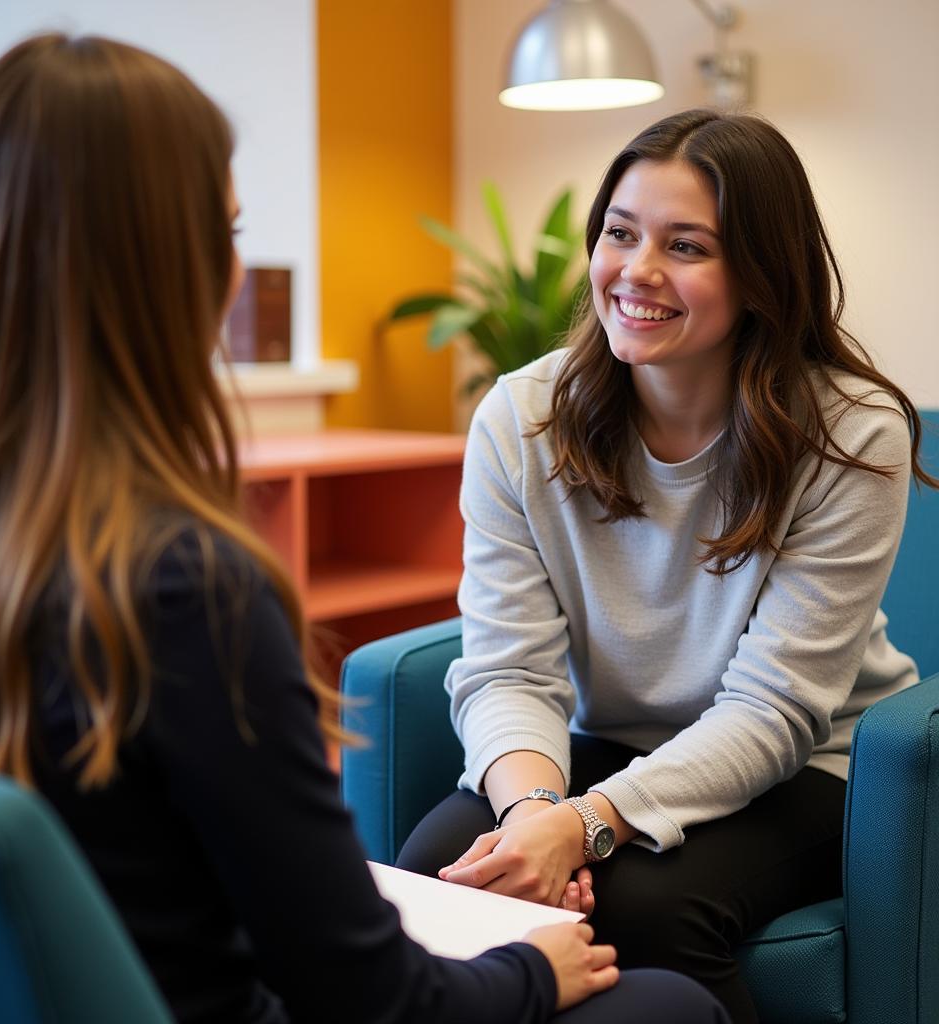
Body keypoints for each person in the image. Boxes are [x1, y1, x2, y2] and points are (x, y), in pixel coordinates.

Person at [0, 35, 730, 1024]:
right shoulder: (185, 587)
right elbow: (367, 995)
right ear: (164, 268)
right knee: (668, 1005)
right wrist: (530, 971)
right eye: (227, 230)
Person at [395, 107, 936, 1024]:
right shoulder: (520, 420)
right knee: (440, 882)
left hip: (805, 764)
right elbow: (507, 667)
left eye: (686, 246)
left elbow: (772, 711)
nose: (636, 271)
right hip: (597, 744)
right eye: (619, 233)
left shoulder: (852, 436)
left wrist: (583, 825)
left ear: (762, 276)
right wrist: (535, 811)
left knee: (647, 908)